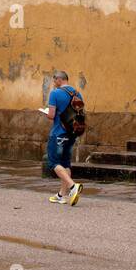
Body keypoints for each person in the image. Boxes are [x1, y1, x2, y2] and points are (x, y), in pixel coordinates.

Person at [39, 70, 84, 207]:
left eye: (54, 80)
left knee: (53, 162)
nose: (54, 83)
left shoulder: (55, 93)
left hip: (59, 133)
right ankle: (61, 196)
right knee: (65, 164)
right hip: (72, 133)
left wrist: (46, 113)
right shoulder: (77, 93)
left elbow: (52, 115)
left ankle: (72, 186)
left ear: (59, 79)